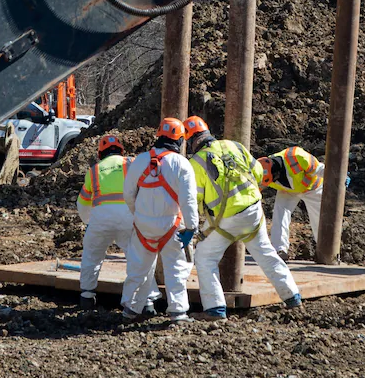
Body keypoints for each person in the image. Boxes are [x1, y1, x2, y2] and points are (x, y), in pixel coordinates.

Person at [186, 116, 301, 319]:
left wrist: (192, 226)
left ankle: (215, 309)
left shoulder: (196, 163)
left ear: (191, 141)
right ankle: (293, 297)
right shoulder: (234, 146)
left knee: (204, 256)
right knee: (266, 254)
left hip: (226, 220)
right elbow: (257, 171)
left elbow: (194, 198)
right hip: (253, 211)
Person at [121, 118, 199, 324]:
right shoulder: (182, 164)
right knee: (176, 269)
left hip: (143, 227)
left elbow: (128, 194)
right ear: (180, 140)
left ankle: (130, 309)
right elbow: (188, 199)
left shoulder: (139, 160)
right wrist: (192, 226)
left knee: (138, 269)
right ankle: (178, 312)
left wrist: (138, 215)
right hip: (172, 227)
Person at [76, 134, 132, 310]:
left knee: (92, 255)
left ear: (100, 154)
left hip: (101, 217)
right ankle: (144, 301)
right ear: (121, 151)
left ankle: (87, 296)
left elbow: (83, 203)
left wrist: (88, 222)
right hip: (129, 216)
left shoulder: (94, 170)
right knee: (138, 257)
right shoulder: (131, 164)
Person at [258, 146, 325, 259]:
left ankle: (324, 251)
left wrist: (339, 177)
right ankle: (279, 250)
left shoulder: (297, 156)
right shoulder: (262, 171)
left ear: (276, 173)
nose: (273, 182)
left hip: (313, 189)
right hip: (288, 190)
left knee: (319, 219)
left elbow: (320, 169)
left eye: (273, 180)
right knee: (280, 214)